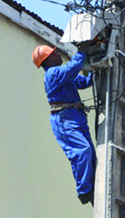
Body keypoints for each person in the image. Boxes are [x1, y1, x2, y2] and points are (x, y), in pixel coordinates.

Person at [31, 44, 96, 205]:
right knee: (82, 151)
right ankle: (84, 191)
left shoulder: (64, 76)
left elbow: (84, 82)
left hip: (75, 117)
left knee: (91, 155)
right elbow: (73, 68)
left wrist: (97, 69)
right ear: (47, 61)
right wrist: (83, 51)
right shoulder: (53, 74)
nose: (58, 54)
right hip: (64, 119)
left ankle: (93, 188)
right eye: (54, 53)